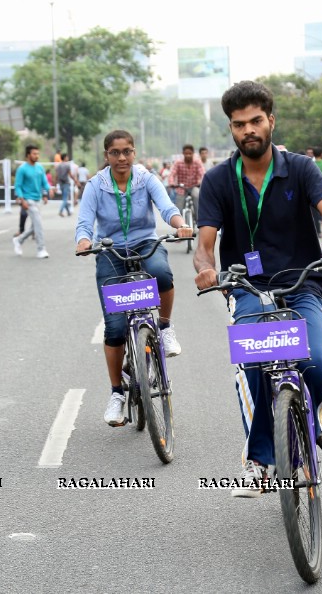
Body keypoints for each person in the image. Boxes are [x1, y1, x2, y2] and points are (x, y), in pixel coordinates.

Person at [194, 80, 322, 496]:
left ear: (271, 120)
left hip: (302, 282)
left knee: (317, 362)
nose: (248, 130)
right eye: (238, 124)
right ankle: (259, 459)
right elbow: (204, 246)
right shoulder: (217, 180)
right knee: (252, 363)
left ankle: (320, 420)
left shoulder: (301, 168)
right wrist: (205, 269)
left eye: (255, 120)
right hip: (246, 285)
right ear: (231, 129)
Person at [76, 130, 191, 426]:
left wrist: (179, 224)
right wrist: (84, 241)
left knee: (162, 273)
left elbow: (167, 208)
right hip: (110, 251)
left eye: (127, 151)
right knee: (114, 329)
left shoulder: (146, 179)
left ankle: (164, 328)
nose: (122, 157)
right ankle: (116, 394)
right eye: (115, 152)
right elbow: (85, 222)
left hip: (144, 243)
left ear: (134, 152)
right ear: (106, 156)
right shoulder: (95, 186)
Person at [12, 145, 53, 259]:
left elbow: (44, 183)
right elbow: (18, 186)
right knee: (38, 224)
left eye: (37, 154)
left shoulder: (40, 168)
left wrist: (47, 192)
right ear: (28, 155)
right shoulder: (22, 169)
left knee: (35, 225)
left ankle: (19, 240)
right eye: (34, 154)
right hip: (28, 200)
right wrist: (22, 199)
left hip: (38, 199)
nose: (36, 156)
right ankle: (41, 249)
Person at [167, 144, 205, 213]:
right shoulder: (178, 163)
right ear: (183, 154)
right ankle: (180, 223)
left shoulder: (197, 162)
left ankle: (199, 220)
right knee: (178, 208)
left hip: (194, 186)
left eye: (190, 153)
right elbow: (171, 174)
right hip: (182, 188)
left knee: (197, 197)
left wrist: (202, 182)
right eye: (186, 153)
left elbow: (202, 174)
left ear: (193, 153)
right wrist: (171, 183)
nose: (188, 155)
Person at [55, 153, 74, 217]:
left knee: (64, 198)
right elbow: (70, 174)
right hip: (66, 183)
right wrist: (76, 181)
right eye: (67, 157)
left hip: (60, 184)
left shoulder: (58, 166)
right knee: (65, 199)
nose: (68, 158)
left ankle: (68, 212)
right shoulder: (67, 165)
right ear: (65, 157)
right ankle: (60, 211)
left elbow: (56, 176)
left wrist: (55, 184)